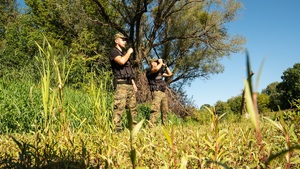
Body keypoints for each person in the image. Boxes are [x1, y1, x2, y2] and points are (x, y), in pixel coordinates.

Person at [109, 33, 138, 132]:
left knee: (133, 109)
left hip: (129, 83)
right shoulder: (113, 52)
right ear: (116, 41)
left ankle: (134, 130)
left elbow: (129, 70)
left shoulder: (125, 54)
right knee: (119, 108)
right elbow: (121, 61)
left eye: (125, 40)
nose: (125, 42)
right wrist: (129, 52)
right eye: (123, 39)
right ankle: (116, 131)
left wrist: (134, 84)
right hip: (121, 84)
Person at [146, 58, 172, 126]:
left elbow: (170, 74)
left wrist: (165, 66)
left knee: (165, 110)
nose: (156, 63)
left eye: (156, 62)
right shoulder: (149, 70)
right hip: (156, 91)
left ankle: (165, 125)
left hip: (162, 92)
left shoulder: (159, 72)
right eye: (155, 62)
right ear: (151, 63)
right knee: (155, 109)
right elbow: (156, 69)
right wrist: (160, 63)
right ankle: (151, 126)